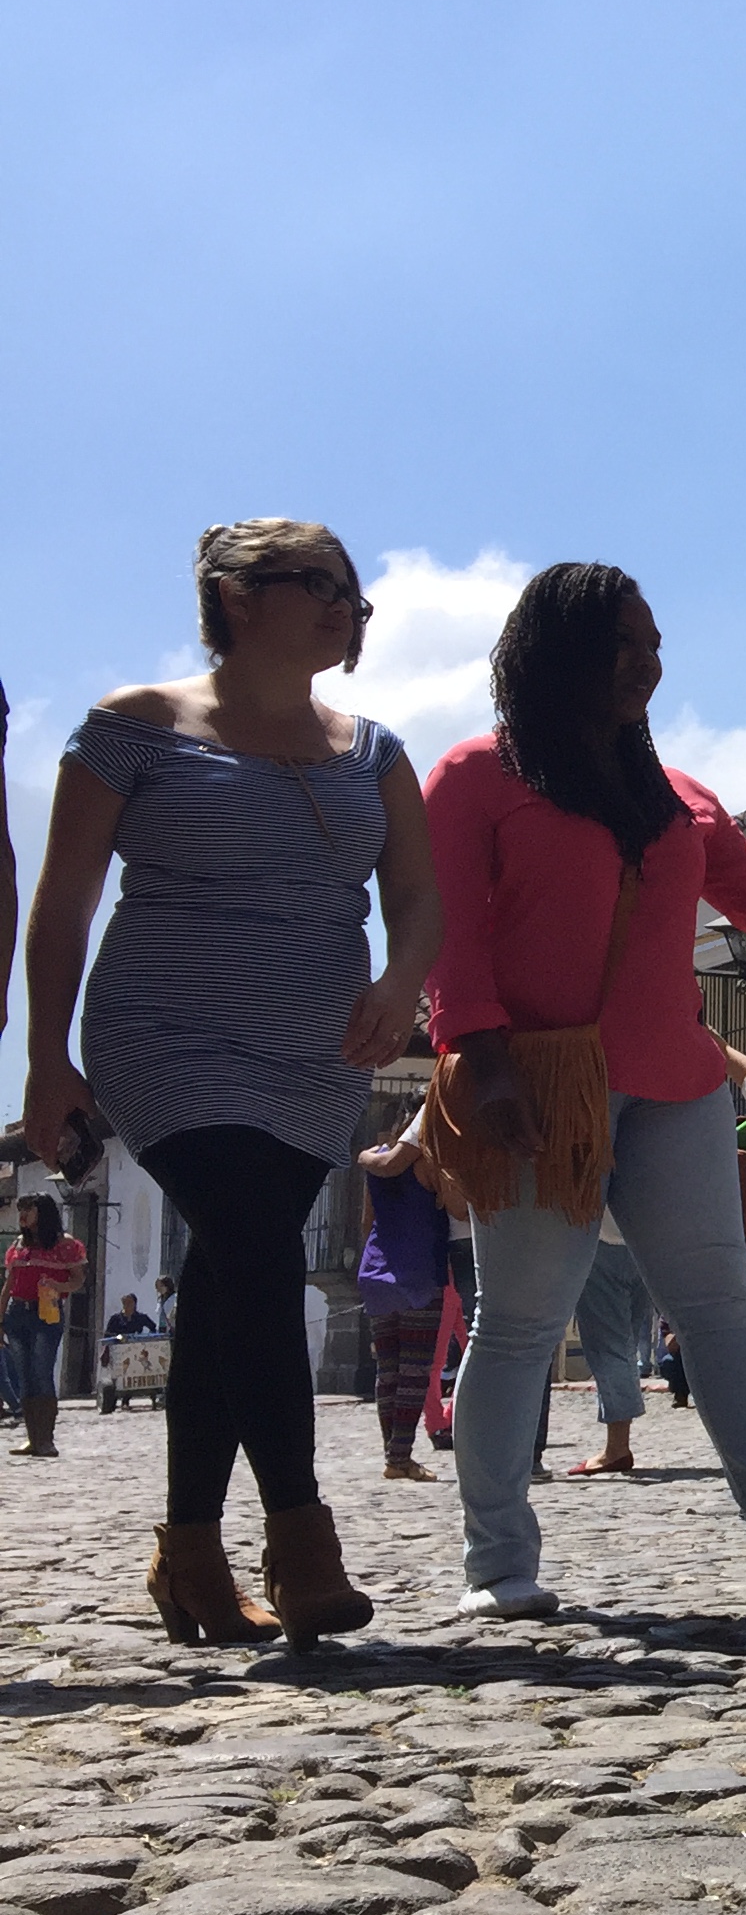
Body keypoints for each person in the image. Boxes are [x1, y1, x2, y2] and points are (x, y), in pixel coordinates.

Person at [422, 561, 746, 1617]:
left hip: (677, 1087)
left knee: (723, 1310)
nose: (648, 662)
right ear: (560, 652)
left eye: (654, 644)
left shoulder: (680, 798)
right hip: (540, 1091)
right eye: (624, 643)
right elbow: (445, 937)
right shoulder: (473, 777)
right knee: (520, 1322)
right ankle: (497, 1566)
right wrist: (481, 1059)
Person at [22, 518, 435, 1645]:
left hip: (314, 1060)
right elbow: (64, 902)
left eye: (356, 594)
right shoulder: (133, 728)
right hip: (167, 1041)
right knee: (253, 1243)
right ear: (236, 596)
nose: (347, 608)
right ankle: (303, 1541)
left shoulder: (374, 752)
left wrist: (402, 979)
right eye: (319, 584)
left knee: (229, 1272)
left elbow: (418, 899)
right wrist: (48, 1057)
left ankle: (191, 1558)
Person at [355, 1132, 450, 1484]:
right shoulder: (431, 1163)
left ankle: (392, 1456)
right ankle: (401, 1456)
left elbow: (366, 1221)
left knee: (388, 1371)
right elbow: (453, 1207)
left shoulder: (375, 1161)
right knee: (414, 1371)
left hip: (376, 1270)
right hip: (418, 1272)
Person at [563, 1218, 652, 1475]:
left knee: (609, 1348)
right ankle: (617, 1444)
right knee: (625, 1343)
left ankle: (617, 1447)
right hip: (643, 1239)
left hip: (599, 1237)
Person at [2, 1197, 86, 1456]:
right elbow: (9, 1285)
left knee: (42, 1371)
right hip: (17, 1313)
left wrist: (59, 1286)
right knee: (25, 1375)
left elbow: (78, 1280)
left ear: (43, 1212)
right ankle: (32, 1438)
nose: (23, 1214)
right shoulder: (19, 1245)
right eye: (20, 1209)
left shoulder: (65, 1244)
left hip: (46, 1314)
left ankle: (46, 1439)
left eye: (29, 1209)